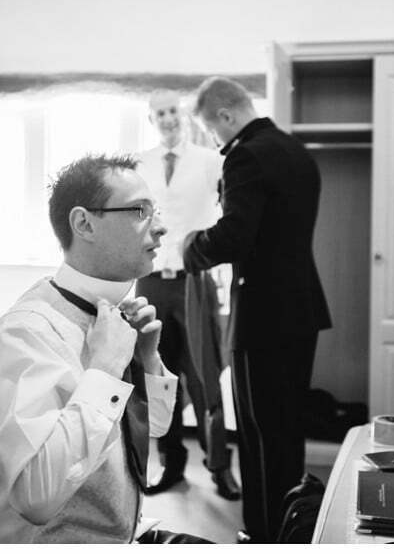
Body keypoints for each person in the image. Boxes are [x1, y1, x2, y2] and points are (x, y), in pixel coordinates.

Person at [0, 154, 211, 544]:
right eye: (140, 210)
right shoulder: (26, 333)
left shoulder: (116, 319)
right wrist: (104, 370)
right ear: (84, 223)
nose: (161, 227)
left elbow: (153, 427)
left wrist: (146, 358)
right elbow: (34, 498)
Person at [183, 77, 332, 543]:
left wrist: (192, 246)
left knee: (258, 432)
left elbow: (234, 235)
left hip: (263, 314)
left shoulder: (246, 154)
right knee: (286, 431)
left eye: (210, 131)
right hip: (301, 310)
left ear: (226, 116)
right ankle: (287, 530)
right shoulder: (296, 151)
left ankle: (264, 534)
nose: (215, 140)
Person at [135, 90, 241, 501]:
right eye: (158, 114)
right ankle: (171, 462)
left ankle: (219, 468)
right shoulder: (139, 164)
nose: (167, 119)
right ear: (151, 120)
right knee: (158, 376)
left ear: (185, 115)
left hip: (196, 280)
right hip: (151, 281)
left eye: (172, 111)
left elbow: (232, 213)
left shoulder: (211, 160)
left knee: (205, 376)